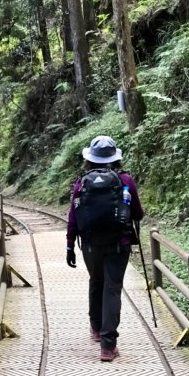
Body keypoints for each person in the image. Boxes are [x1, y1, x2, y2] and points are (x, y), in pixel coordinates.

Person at [65, 136, 144, 362]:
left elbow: (73, 217)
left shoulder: (82, 182)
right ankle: (108, 347)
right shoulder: (125, 180)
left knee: (96, 281)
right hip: (120, 244)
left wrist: (70, 245)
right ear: (115, 158)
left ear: (90, 158)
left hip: (90, 245)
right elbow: (137, 214)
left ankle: (96, 329)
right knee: (112, 288)